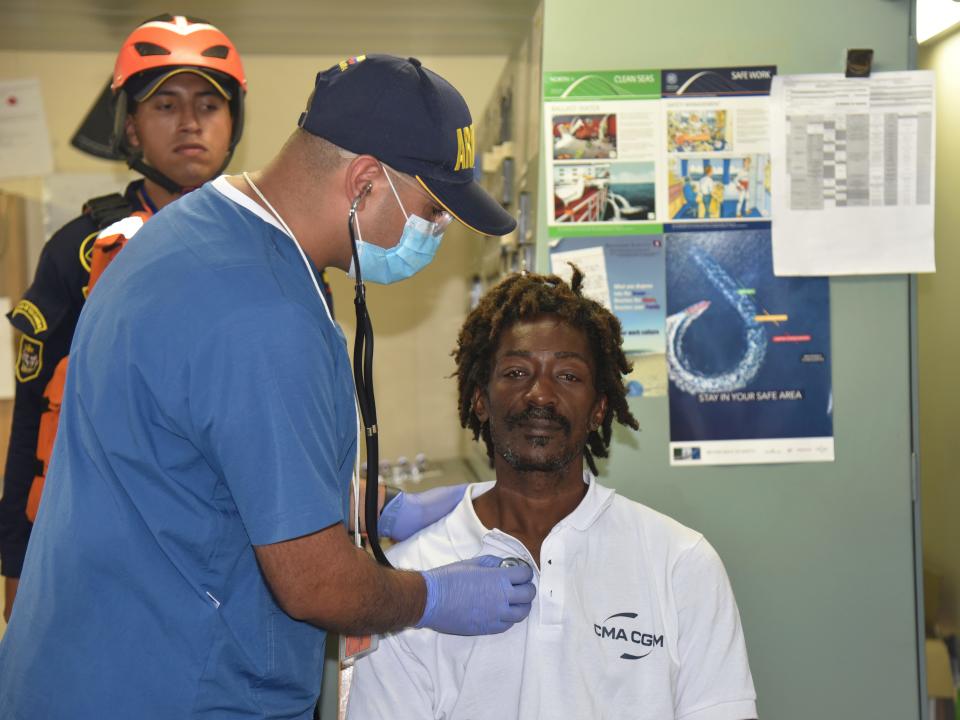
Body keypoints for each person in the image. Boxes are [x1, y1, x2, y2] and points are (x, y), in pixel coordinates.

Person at [0, 53, 536, 719]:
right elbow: (316, 585)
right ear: (366, 182)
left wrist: (378, 507)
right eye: (434, 208)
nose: (440, 229)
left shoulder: (190, 234)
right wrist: (432, 596)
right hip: (172, 689)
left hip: (79, 671)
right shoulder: (264, 312)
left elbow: (195, 460)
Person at [347, 267, 759, 720]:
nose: (540, 394)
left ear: (600, 407)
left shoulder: (680, 563)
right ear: (480, 398)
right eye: (517, 371)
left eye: (568, 376)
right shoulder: (412, 580)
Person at [0, 13, 252, 623]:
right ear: (131, 129)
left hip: (234, 557)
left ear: (232, 124)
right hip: (98, 556)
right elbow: (35, 416)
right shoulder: (79, 250)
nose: (190, 121)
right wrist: (16, 566)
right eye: (165, 104)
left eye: (209, 105)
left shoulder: (273, 245)